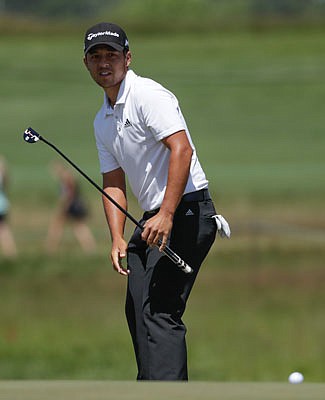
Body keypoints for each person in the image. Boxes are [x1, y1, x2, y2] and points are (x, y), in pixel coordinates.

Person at [83, 22, 230, 381]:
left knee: (161, 310)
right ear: (86, 63)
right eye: (95, 56)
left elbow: (181, 149)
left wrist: (166, 213)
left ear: (128, 58)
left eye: (112, 55)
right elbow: (114, 182)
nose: (104, 63)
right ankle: (149, 388)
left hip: (188, 211)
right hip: (154, 218)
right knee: (139, 307)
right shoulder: (102, 119)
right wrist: (117, 237)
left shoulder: (149, 95)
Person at [45, 161, 96, 254]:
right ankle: (89, 247)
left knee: (67, 226)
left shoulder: (67, 178)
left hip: (72, 205)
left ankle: (51, 248)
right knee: (75, 226)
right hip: (74, 204)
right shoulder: (68, 177)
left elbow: (69, 195)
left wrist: (63, 207)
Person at [0, 156, 17, 258]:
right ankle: (11, 252)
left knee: (3, 229)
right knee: (4, 229)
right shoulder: (2, 176)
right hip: (3, 205)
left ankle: (10, 252)